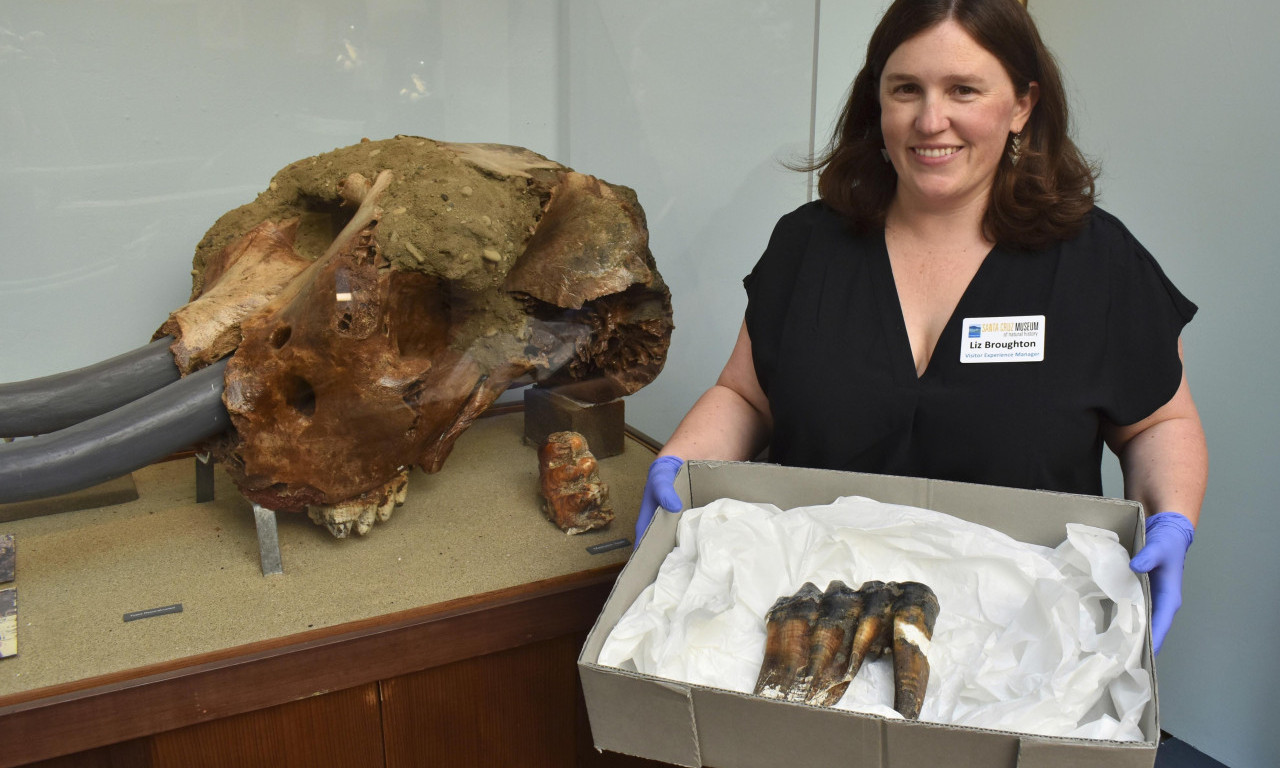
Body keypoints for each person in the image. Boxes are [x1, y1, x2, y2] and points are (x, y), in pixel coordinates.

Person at [636, 0, 1206, 656]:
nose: (931, 120)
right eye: (906, 89)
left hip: (1025, 644)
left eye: (964, 89)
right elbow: (744, 395)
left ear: (1022, 104)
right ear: (876, 101)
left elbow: (1159, 422)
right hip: (821, 624)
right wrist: (677, 464)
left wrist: (1171, 520)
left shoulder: (1098, 264)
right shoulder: (808, 247)